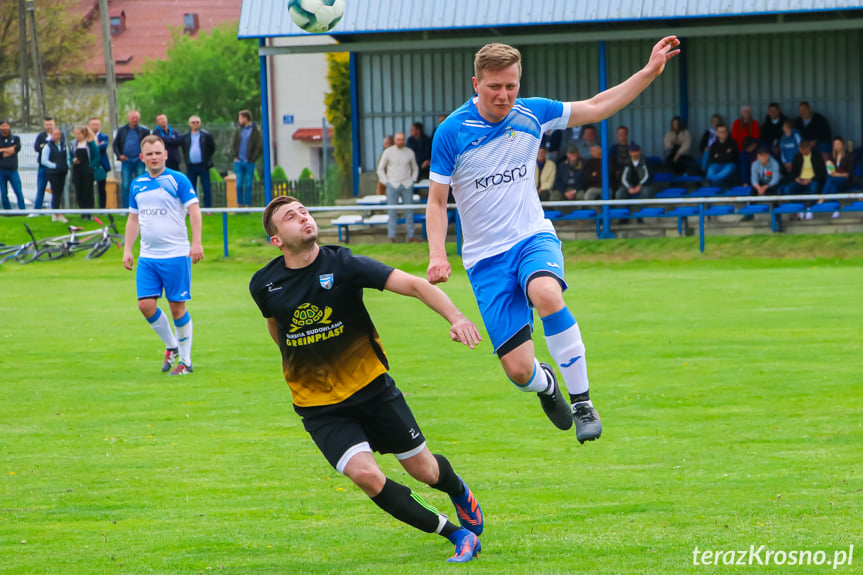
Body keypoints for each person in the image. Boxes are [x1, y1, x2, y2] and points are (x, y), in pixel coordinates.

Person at [426, 37, 680, 441]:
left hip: (531, 237)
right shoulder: (451, 132)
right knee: (519, 371)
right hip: (484, 260)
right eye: (495, 87)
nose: (504, 95)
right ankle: (546, 384)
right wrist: (437, 255)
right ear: (476, 83)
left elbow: (597, 106)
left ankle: (582, 402)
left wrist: (648, 72)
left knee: (546, 293)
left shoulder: (533, 113)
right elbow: (437, 202)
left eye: (512, 85)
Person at [249, 196, 484, 564]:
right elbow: (276, 328)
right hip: (319, 407)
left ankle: (456, 488)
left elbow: (416, 285)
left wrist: (456, 317)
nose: (303, 218)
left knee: (425, 470)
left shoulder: (343, 264)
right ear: (277, 239)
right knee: (367, 477)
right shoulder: (264, 284)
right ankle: (457, 534)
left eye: (305, 211)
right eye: (291, 218)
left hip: (372, 391)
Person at [123, 135, 203, 376]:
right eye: (149, 154)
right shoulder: (137, 184)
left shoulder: (177, 180)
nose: (154, 157)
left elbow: (195, 211)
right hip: (148, 257)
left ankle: (186, 362)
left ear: (165, 154)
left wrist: (197, 243)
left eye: (158, 152)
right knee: (145, 305)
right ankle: (172, 346)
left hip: (176, 255)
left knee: (177, 307)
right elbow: (133, 218)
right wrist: (128, 249)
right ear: (142, 158)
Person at [376, 132, 419, 243]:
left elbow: (415, 168)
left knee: (409, 211)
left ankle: (411, 236)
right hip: (392, 184)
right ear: (394, 140)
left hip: (407, 184)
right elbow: (380, 168)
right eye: (398, 139)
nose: (400, 141)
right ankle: (391, 237)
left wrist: (413, 180)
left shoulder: (409, 152)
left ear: (404, 140)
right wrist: (386, 182)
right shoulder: (388, 152)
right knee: (392, 211)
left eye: (402, 139)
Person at [781, 140, 826, 220]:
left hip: (813, 180)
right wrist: (796, 179)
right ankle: (798, 208)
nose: (803, 153)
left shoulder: (816, 155)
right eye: (802, 151)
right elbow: (794, 172)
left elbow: (821, 172)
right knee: (788, 189)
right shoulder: (797, 156)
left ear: (809, 148)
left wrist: (811, 179)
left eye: (805, 151)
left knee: (814, 188)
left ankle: (809, 209)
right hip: (800, 181)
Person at [113, 110, 150, 208]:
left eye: (137, 118)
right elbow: (115, 145)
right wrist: (119, 155)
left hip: (139, 161)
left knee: (141, 184)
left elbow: (149, 144)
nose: (135, 120)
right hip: (126, 162)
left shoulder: (144, 131)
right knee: (125, 185)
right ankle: (126, 208)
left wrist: (145, 155)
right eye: (133, 118)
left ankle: (142, 207)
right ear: (128, 118)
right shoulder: (122, 130)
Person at [181, 116, 216, 209]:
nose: (195, 124)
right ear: (190, 124)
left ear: (200, 123)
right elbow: (184, 149)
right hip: (191, 166)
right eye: (193, 122)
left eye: (197, 122)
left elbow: (212, 148)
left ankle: (208, 209)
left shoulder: (206, 135)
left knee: (206, 187)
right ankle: (192, 208)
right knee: (191, 188)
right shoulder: (186, 136)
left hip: (203, 165)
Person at [231, 109, 263, 207]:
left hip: (249, 162)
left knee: (248, 185)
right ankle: (240, 204)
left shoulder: (255, 130)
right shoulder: (238, 130)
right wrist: (235, 156)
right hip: (238, 161)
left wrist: (253, 158)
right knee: (239, 184)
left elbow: (259, 146)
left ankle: (247, 205)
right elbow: (233, 144)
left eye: (240, 118)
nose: (239, 120)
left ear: (246, 118)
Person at [70, 125, 103, 219]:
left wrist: (91, 167)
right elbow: (70, 155)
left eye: (78, 134)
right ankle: (82, 212)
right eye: (75, 134)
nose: (76, 136)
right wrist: (72, 160)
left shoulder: (90, 143)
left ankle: (89, 213)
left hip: (87, 171)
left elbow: (96, 156)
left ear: (84, 133)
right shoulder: (73, 144)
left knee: (88, 192)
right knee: (79, 191)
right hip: (77, 171)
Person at [33, 116, 65, 213]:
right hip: (43, 167)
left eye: (50, 124)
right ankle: (37, 211)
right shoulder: (41, 136)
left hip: (55, 168)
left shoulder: (60, 136)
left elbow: (60, 147)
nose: (48, 126)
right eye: (47, 124)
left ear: (54, 124)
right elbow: (37, 148)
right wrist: (43, 146)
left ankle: (54, 211)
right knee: (41, 188)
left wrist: (44, 145)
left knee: (55, 190)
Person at [40, 127, 69, 223]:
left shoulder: (64, 145)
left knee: (59, 192)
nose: (56, 136)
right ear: (51, 135)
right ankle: (57, 213)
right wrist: (55, 166)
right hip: (53, 173)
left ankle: (56, 212)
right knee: (56, 192)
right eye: (54, 134)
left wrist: (67, 165)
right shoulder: (48, 146)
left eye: (58, 134)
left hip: (62, 172)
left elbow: (67, 157)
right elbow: (44, 160)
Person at [0, 120, 25, 211]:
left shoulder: (15, 138)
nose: (5, 128)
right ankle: (8, 211)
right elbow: (11, 150)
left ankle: (23, 210)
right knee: (3, 193)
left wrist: (3, 150)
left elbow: (17, 149)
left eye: (7, 126)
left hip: (13, 170)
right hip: (1, 170)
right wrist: (10, 149)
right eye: (3, 126)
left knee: (18, 191)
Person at [88, 117, 112, 209]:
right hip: (90, 165)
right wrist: (97, 144)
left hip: (102, 165)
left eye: (97, 124)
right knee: (89, 189)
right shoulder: (86, 137)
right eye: (93, 124)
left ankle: (102, 208)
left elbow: (102, 147)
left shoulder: (104, 136)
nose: (95, 126)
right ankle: (90, 209)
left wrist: (94, 145)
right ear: (89, 126)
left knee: (102, 188)